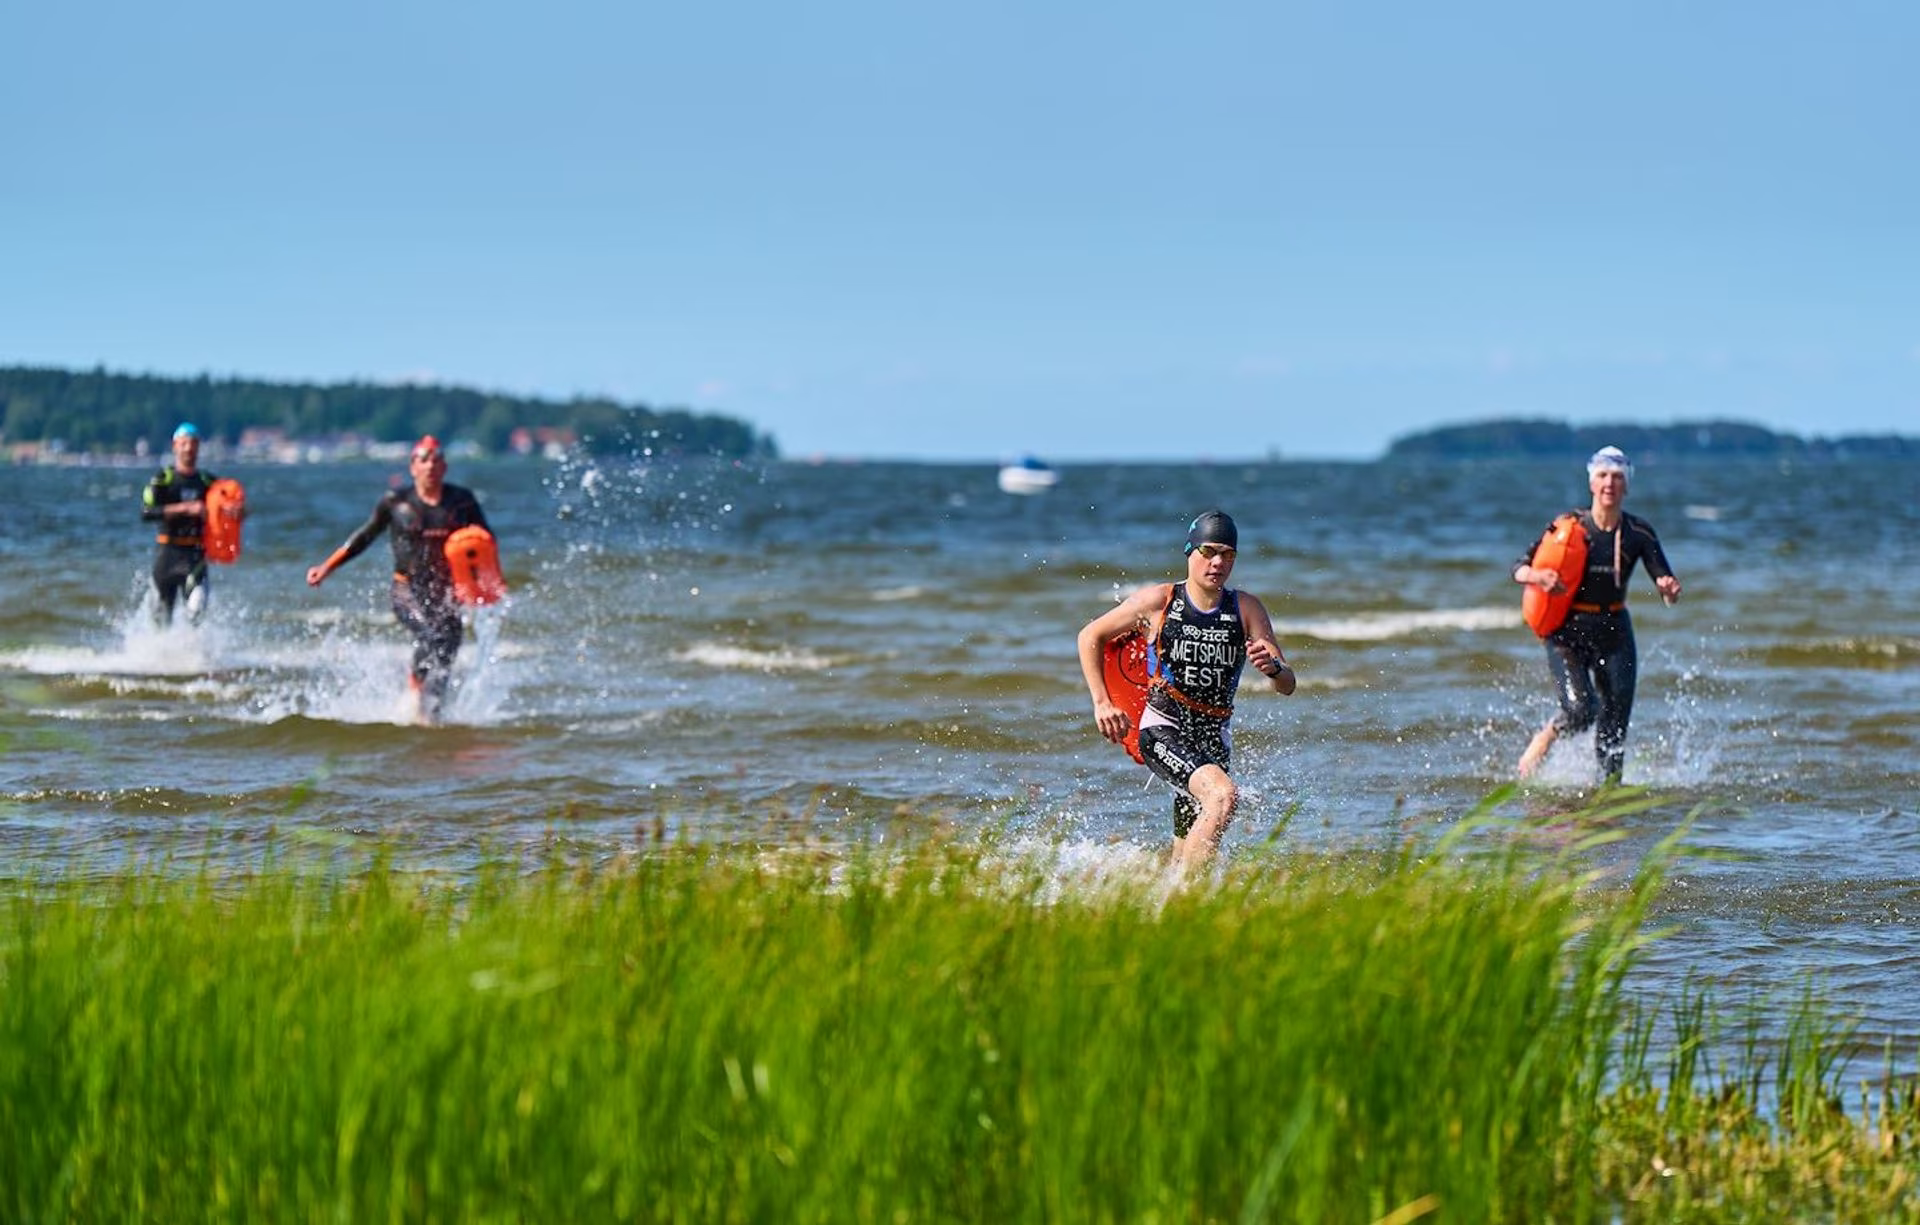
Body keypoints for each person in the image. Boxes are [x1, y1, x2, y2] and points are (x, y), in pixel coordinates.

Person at [1077, 510, 1297, 869]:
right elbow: (1090, 635)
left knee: (1186, 849)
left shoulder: (1246, 609)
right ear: (1189, 552)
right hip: (1163, 728)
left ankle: (1158, 897)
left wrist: (1273, 668)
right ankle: (1187, 904)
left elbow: (1286, 685)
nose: (1217, 562)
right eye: (1208, 551)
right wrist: (1102, 702)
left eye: (1227, 554)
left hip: (1213, 741)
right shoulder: (1160, 601)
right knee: (1222, 797)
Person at [1513, 446, 1682, 782]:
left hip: (1615, 631)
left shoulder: (1639, 532)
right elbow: (1518, 567)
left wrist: (1668, 589)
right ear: (1592, 483)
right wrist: (1538, 576)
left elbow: (1666, 584)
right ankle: (1545, 737)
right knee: (1581, 710)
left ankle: (1606, 806)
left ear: (1627, 486)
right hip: (1568, 633)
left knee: (1614, 735)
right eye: (1603, 476)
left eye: (1618, 477)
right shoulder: (1569, 526)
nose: (1610, 483)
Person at [306, 436, 492, 722]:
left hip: (447, 591)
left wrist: (487, 585)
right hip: (406, 588)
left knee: (448, 649)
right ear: (412, 467)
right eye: (423, 459)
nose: (430, 465)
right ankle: (415, 693)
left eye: (436, 459)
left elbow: (484, 542)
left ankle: (433, 713)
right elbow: (364, 537)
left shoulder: (462, 501)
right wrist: (326, 567)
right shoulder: (396, 502)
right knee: (431, 635)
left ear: (444, 466)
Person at [140, 422, 219, 625]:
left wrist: (237, 511)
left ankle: (194, 654)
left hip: (195, 556)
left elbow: (236, 504)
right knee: (160, 623)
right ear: (175, 446)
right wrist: (184, 508)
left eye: (193, 444)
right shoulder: (162, 479)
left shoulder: (208, 482)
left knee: (197, 611)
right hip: (166, 554)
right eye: (184, 444)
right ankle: (162, 656)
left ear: (199, 447)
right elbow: (146, 512)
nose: (188, 448)